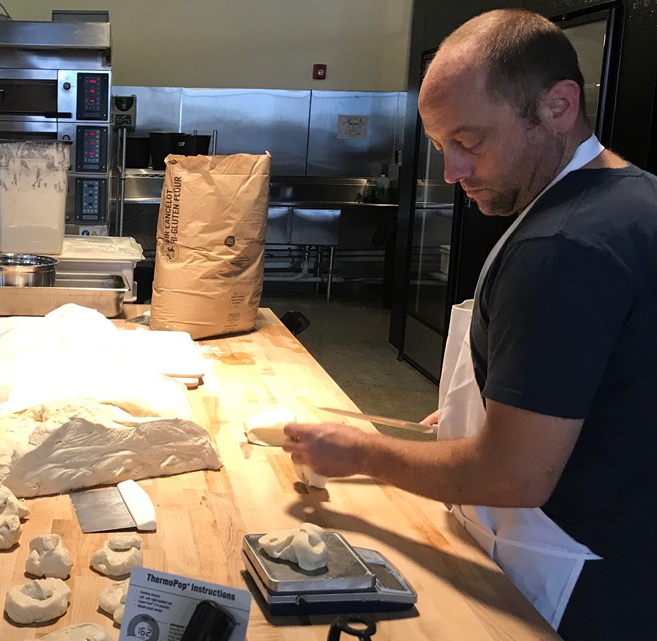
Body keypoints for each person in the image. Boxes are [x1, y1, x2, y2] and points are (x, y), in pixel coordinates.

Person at [281, 9, 656, 641]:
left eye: (471, 142)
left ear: (559, 106)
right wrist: (505, 399)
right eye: (440, 147)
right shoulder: (633, 198)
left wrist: (362, 452)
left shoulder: (562, 245)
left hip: (580, 585)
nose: (452, 172)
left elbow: (514, 475)